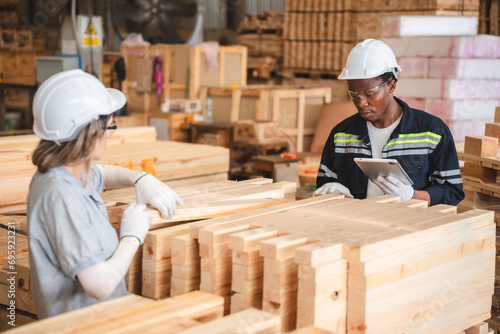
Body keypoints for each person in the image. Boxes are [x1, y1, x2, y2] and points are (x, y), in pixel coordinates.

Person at [27, 69, 183, 319]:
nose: (110, 135)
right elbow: (98, 286)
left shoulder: (67, 169)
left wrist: (140, 178)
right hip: (82, 325)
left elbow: (101, 173)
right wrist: (131, 237)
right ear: (89, 131)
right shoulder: (61, 196)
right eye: (110, 126)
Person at [314, 39, 464, 206]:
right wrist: (331, 188)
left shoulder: (432, 132)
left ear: (391, 86)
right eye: (355, 96)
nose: (361, 103)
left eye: (370, 94)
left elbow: (452, 192)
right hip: (358, 226)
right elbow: (324, 180)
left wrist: (411, 196)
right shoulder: (341, 135)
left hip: (409, 228)